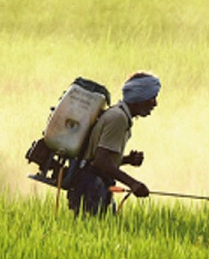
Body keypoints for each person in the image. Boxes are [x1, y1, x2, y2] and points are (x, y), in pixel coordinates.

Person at [67, 71, 161, 216]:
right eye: (152, 98)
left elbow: (100, 158)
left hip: (92, 183)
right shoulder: (118, 118)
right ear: (139, 98)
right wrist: (133, 183)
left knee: (100, 226)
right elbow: (100, 161)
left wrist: (127, 160)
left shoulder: (119, 115)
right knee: (94, 227)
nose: (155, 103)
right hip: (91, 186)